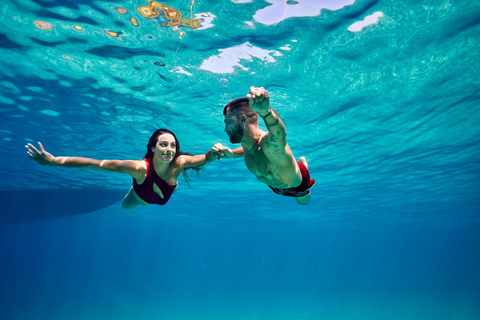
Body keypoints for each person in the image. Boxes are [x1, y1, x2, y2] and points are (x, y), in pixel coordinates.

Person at [26, 128, 221, 210]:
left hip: (163, 192)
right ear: (153, 147)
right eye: (163, 144)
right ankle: (134, 189)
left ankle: (145, 187)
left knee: (174, 173)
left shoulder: (179, 162)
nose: (170, 150)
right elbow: (95, 163)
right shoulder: (138, 168)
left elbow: (204, 158)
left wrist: (216, 152)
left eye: (172, 145)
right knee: (125, 207)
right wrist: (54, 161)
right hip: (141, 194)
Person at [213, 86, 315, 205]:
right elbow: (252, 149)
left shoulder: (270, 144)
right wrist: (232, 154)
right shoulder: (245, 141)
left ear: (242, 119)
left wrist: (266, 112)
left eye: (227, 122)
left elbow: (280, 134)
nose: (225, 129)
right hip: (275, 188)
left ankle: (304, 165)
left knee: (304, 202)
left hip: (298, 185)